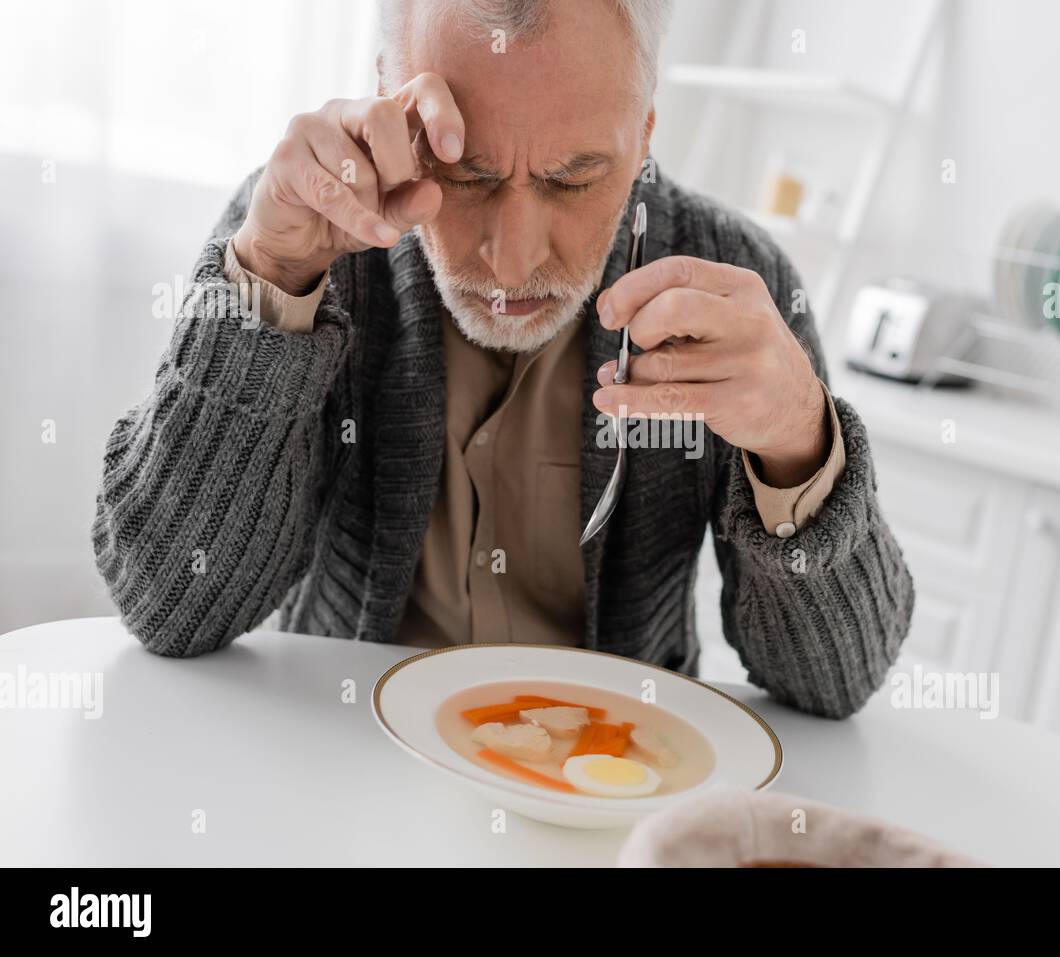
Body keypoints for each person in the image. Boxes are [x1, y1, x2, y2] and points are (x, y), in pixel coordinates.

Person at [92, 0, 914, 719]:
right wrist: (269, 286)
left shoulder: (739, 285)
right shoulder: (305, 234)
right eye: (469, 175)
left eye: (574, 178)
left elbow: (834, 685)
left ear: (646, 130)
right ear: (389, 96)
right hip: (335, 768)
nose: (514, 263)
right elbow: (169, 605)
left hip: (616, 794)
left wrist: (799, 441)